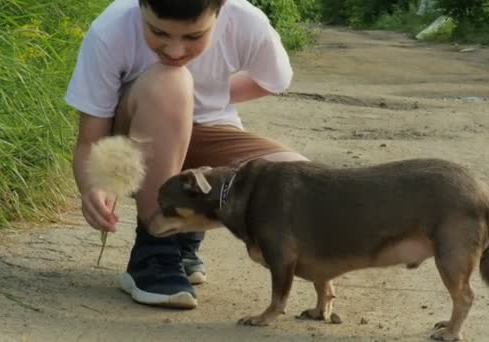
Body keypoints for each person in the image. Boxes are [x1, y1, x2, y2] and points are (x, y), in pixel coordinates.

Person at [64, 0, 308, 310]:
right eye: (158, 32)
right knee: (171, 79)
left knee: (298, 183)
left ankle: (185, 237)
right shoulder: (111, 29)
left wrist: (210, 96)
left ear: (221, 11)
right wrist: (93, 187)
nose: (175, 50)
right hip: (137, 141)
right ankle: (155, 251)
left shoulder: (246, 21)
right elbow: (89, 141)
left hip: (211, 133)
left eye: (194, 37)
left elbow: (274, 80)